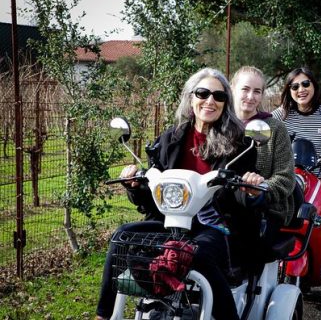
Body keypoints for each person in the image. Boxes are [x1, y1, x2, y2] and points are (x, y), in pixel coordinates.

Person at [95, 68, 264, 320]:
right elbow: (152, 196)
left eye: (218, 96)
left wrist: (250, 189)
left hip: (214, 226)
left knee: (198, 253)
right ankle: (103, 315)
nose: (210, 101)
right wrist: (135, 185)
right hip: (169, 222)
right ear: (190, 97)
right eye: (203, 93)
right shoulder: (169, 139)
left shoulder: (239, 144)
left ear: (226, 103)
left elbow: (240, 196)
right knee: (122, 237)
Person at [271, 67, 321, 268]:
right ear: (289, 90)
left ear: (314, 86)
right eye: (295, 86)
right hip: (287, 175)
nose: (301, 89)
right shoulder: (279, 115)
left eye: (306, 84)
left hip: (319, 176)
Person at [230, 66, 296, 245]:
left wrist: (259, 190)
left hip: (266, 208)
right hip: (224, 205)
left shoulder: (275, 128)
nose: (251, 97)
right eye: (245, 89)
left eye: (257, 91)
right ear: (232, 88)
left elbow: (286, 178)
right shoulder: (220, 126)